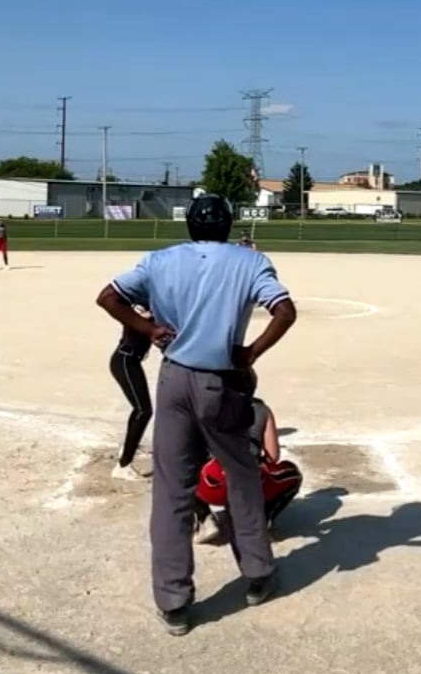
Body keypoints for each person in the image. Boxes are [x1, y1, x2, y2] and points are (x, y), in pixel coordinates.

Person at [96, 194, 298, 636]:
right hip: (220, 381)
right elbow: (285, 312)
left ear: (189, 224)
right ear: (228, 225)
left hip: (173, 379)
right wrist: (250, 353)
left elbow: (108, 297)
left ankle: (173, 602)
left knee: (171, 488)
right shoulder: (250, 261)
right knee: (241, 478)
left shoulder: (160, 260)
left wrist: (149, 329)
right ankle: (258, 575)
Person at [193, 393, 303, 544]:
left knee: (182, 469)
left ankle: (204, 518)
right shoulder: (261, 409)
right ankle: (261, 520)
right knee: (292, 473)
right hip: (248, 483)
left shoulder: (209, 405)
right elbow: (273, 456)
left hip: (213, 485)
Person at [109, 321, 154, 482]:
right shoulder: (140, 310)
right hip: (125, 361)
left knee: (140, 409)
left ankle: (128, 449)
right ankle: (123, 466)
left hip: (132, 361)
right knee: (143, 411)